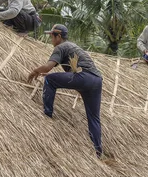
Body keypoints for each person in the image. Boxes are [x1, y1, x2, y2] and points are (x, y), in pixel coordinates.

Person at [28, 24, 103, 157]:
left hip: (83, 77)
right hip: (96, 80)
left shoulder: (60, 47)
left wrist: (34, 71)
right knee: (94, 118)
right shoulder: (72, 46)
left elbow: (47, 68)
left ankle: (47, 114)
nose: (51, 39)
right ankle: (98, 151)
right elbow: (76, 73)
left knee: (50, 80)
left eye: (52, 36)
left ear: (59, 36)